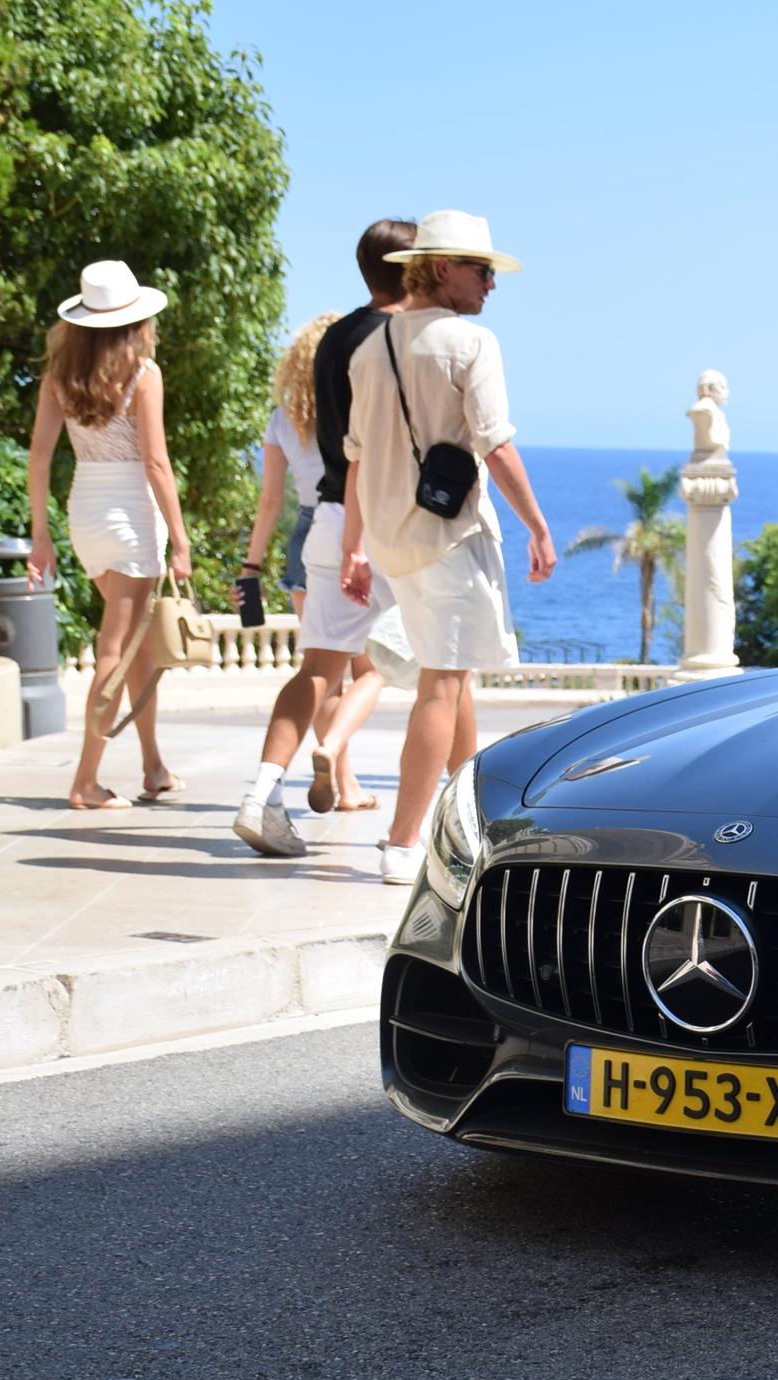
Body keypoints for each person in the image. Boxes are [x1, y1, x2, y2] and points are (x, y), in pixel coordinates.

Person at [343, 210, 557, 884]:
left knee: (453, 676)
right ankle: (403, 843)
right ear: (440, 268)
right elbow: (494, 442)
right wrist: (538, 525)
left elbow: (354, 460)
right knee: (441, 685)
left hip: (394, 543)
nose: (491, 284)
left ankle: (473, 822)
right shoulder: (470, 344)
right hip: (448, 536)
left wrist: (355, 547)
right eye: (481, 269)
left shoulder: (367, 348)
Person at [234, 221, 415, 857]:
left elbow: (281, 491)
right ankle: (457, 824)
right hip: (390, 522)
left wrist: (252, 566)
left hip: (330, 518)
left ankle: (261, 794)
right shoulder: (404, 337)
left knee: (317, 669)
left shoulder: (334, 339)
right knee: (443, 672)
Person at [26, 259, 190, 811]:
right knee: (115, 652)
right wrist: (182, 540)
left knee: (134, 648)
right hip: (131, 516)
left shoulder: (58, 378)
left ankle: (153, 766)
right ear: (135, 321)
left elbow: (41, 457)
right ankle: (85, 782)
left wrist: (40, 537)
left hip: (85, 514)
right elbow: (156, 463)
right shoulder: (144, 375)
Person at [243, 314, 337, 621]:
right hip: (355, 526)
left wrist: (251, 566)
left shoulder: (282, 420)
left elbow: (271, 500)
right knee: (366, 663)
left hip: (308, 532)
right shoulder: (358, 411)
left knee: (317, 654)